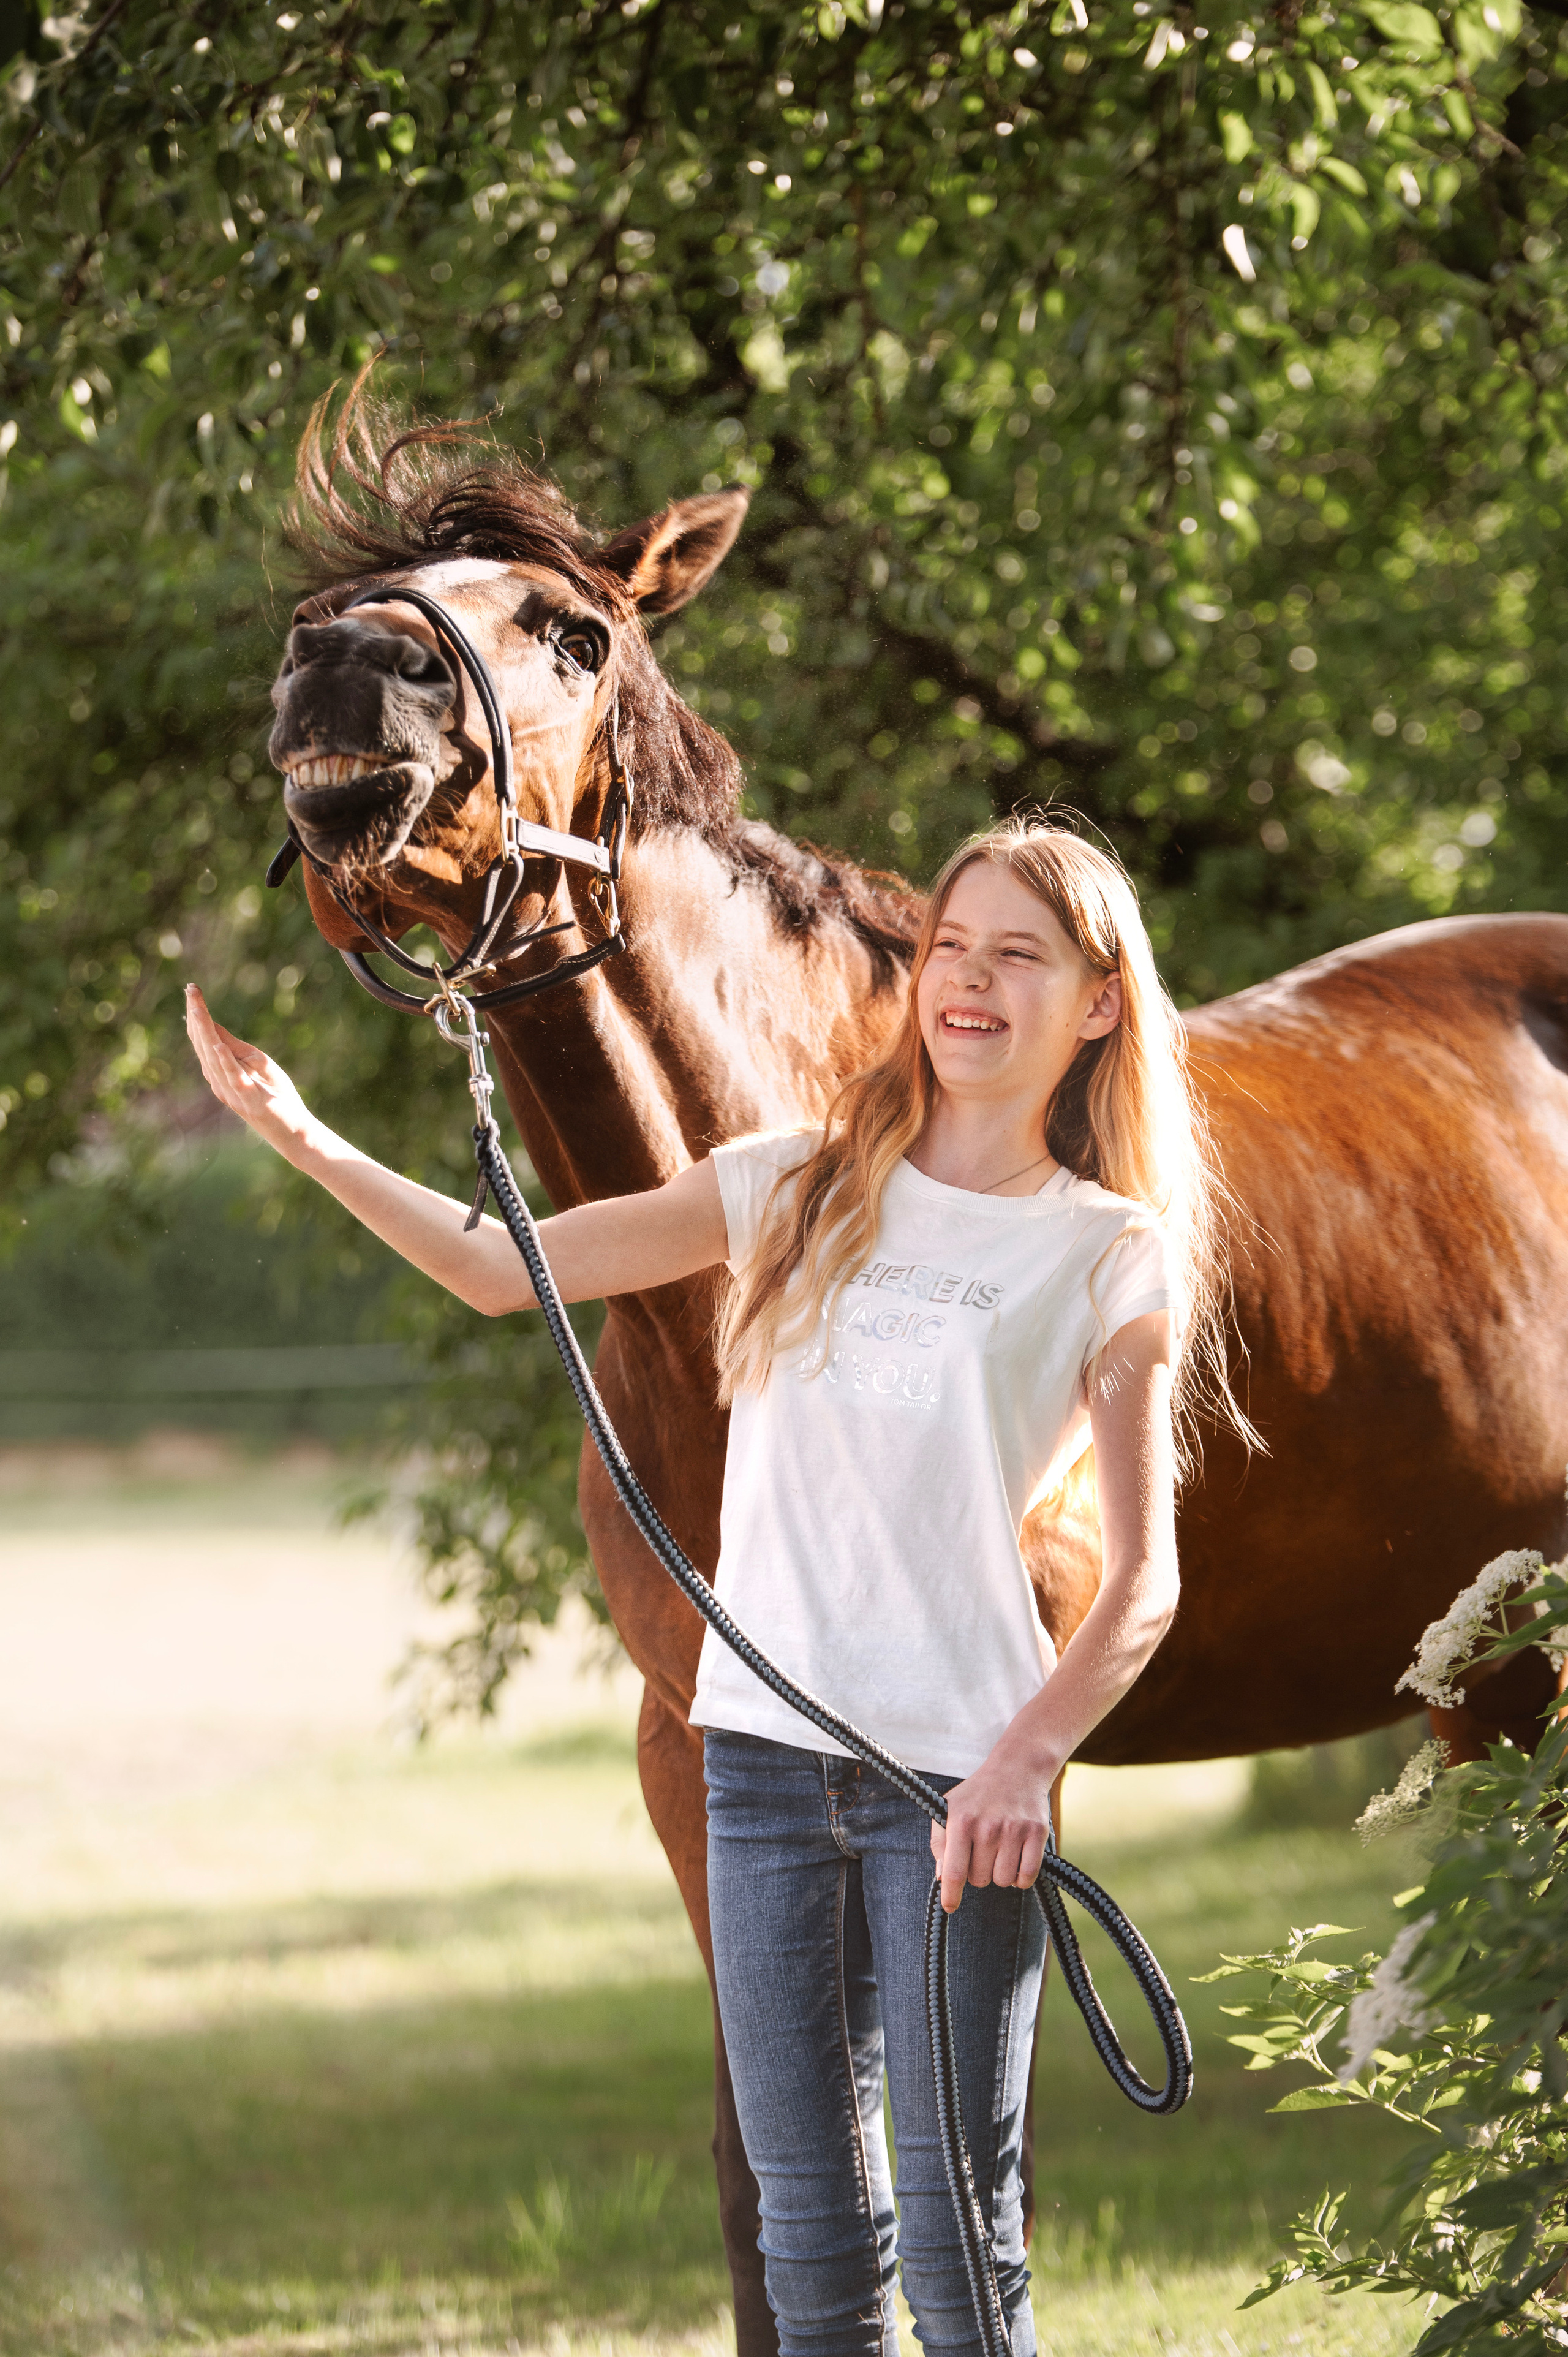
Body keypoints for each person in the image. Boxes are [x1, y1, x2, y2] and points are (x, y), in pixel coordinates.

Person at [186, 818, 1243, 2357]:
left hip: (952, 1787)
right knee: (809, 2241)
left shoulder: (1106, 1253)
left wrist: (1024, 1757)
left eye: (1020, 956)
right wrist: (297, 1130)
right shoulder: (791, 1182)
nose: (970, 981)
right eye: (953, 946)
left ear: (1094, 1003)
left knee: (956, 2253)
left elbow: (1139, 1582)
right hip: (755, 1770)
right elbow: (505, 1269)